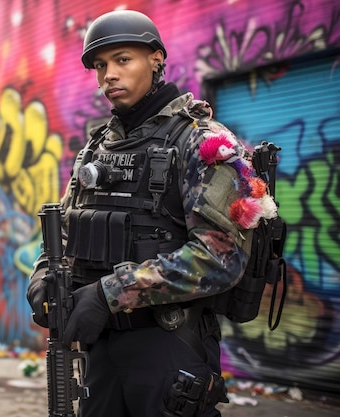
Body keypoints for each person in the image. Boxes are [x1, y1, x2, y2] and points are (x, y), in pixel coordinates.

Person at [27, 9, 277, 417]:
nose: (109, 74)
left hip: (168, 347)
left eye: (123, 59)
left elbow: (220, 257)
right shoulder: (96, 149)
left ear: (156, 59)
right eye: (101, 65)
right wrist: (42, 277)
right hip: (100, 351)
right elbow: (66, 232)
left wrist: (110, 294)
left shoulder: (203, 143)